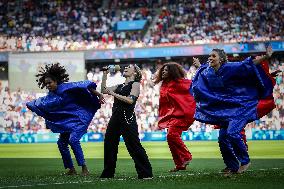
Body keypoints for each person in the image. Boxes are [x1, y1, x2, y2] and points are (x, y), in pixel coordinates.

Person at [191, 47, 274, 175]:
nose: (210, 58)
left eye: (213, 56)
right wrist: (198, 65)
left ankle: (245, 161)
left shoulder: (230, 68)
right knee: (222, 139)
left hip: (241, 106)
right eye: (210, 56)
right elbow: (203, 70)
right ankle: (232, 166)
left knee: (232, 133)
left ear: (221, 59)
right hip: (227, 109)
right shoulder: (209, 71)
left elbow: (248, 64)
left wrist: (266, 57)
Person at [26, 63, 105, 176]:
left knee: (73, 140)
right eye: (46, 84)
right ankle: (71, 169)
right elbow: (41, 103)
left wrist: (99, 94)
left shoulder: (66, 87)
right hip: (66, 122)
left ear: (56, 81)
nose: (48, 85)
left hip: (79, 117)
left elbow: (84, 85)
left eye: (50, 83)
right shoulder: (50, 95)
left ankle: (84, 168)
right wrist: (31, 104)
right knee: (61, 143)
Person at [100, 64, 153, 179]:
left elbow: (130, 100)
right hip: (115, 117)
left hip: (127, 118)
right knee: (109, 144)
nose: (126, 68)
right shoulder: (120, 86)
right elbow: (103, 90)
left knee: (133, 145)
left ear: (135, 73)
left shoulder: (135, 84)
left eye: (129, 67)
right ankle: (108, 174)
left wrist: (113, 94)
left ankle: (145, 173)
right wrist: (105, 74)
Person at [153, 62, 195, 172]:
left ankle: (186, 157)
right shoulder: (164, 84)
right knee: (170, 138)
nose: (163, 72)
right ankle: (179, 164)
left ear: (172, 72)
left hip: (183, 113)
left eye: (166, 70)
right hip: (174, 114)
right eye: (163, 70)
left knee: (171, 135)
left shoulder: (179, 82)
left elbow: (193, 85)